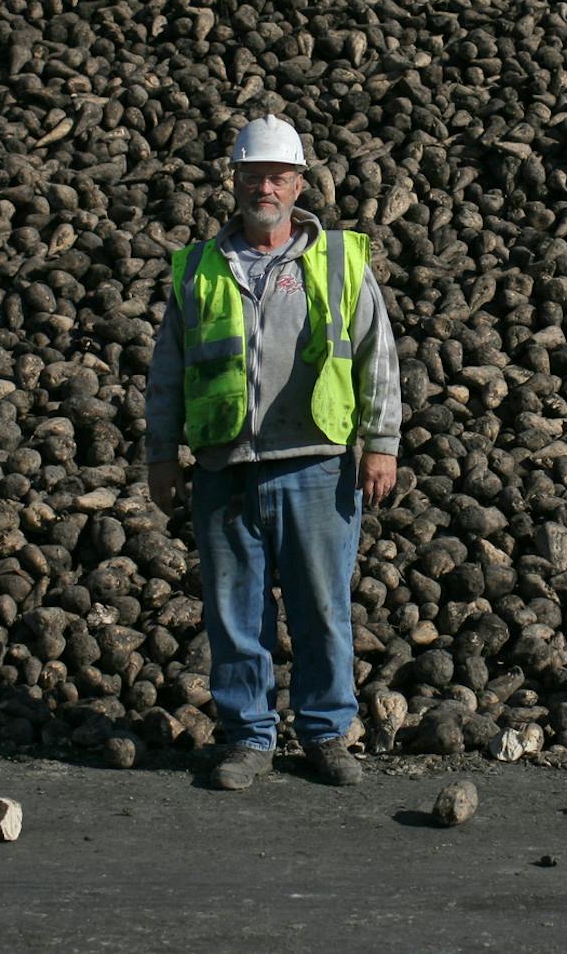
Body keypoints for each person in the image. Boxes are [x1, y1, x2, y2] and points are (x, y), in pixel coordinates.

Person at [141, 114, 403, 790]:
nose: (266, 186)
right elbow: (168, 367)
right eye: (253, 174)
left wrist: (382, 444)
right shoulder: (199, 268)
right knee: (235, 611)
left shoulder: (341, 259)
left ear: (299, 183)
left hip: (317, 460)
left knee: (321, 607)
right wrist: (161, 453)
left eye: (278, 175)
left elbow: (377, 356)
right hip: (225, 464)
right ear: (235, 181)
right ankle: (249, 736)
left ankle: (324, 732)